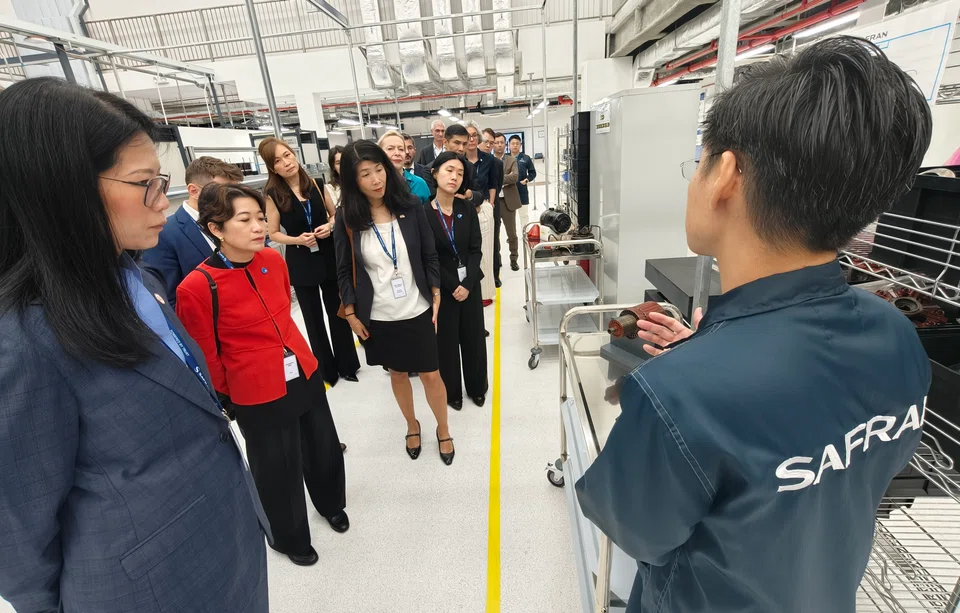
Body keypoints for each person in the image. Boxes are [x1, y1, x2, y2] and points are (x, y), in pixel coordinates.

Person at [575, 37, 933, 613]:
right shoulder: (894, 333)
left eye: (699, 162)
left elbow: (634, 528)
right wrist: (712, 355)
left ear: (726, 176)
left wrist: (696, 377)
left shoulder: (676, 395)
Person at [0, 77, 268, 613]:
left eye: (161, 180)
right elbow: (18, 526)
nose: (162, 203)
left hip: (223, 541)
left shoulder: (135, 276)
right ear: (65, 188)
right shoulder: (25, 338)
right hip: (142, 586)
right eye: (144, 183)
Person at [177, 183, 348, 567]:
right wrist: (230, 393)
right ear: (216, 228)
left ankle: (332, 503)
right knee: (276, 466)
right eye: (245, 219)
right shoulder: (197, 287)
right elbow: (207, 354)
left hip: (301, 369)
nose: (258, 226)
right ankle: (289, 536)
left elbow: (285, 314)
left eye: (260, 217)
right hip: (254, 388)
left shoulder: (274, 260)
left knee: (321, 444)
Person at [334, 140, 456, 465]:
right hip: (379, 315)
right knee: (398, 374)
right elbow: (344, 270)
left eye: (378, 170)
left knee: (431, 373)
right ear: (352, 180)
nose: (376, 179)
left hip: (416, 308)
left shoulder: (412, 205)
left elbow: (429, 254)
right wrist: (350, 312)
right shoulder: (347, 217)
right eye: (365, 174)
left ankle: (443, 429)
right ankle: (412, 425)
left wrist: (436, 292)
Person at [259, 137, 360, 386]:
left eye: (288, 155)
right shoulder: (272, 194)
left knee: (337, 312)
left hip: (327, 254)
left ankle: (347, 365)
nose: (286, 163)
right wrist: (297, 240)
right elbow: (273, 233)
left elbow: (335, 214)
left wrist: (329, 225)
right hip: (301, 259)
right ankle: (326, 370)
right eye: (278, 161)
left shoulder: (315, 183)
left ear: (295, 155)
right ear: (273, 168)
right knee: (313, 318)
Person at [426, 151, 488, 410]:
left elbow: (476, 249)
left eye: (460, 173)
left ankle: (477, 387)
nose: (454, 177)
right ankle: (452, 392)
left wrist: (468, 283)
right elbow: (429, 256)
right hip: (444, 288)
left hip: (470, 284)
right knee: (447, 342)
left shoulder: (466, 207)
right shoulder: (423, 214)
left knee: (474, 338)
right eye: (449, 170)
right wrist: (453, 285)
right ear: (435, 172)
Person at [143, 156, 243, 306]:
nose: (232, 199)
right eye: (224, 192)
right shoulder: (166, 234)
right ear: (194, 191)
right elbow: (169, 300)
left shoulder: (233, 221)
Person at [379, 130, 431, 204]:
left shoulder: (419, 184)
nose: (397, 153)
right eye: (390, 148)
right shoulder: (376, 185)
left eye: (401, 149)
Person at [494, 132, 521, 272]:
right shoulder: (489, 160)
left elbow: (515, 177)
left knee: (512, 233)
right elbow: (486, 179)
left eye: (501, 142)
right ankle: (497, 260)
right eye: (496, 142)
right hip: (493, 202)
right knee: (495, 233)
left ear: (505, 145)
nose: (499, 145)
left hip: (507, 201)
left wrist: (497, 179)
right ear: (493, 144)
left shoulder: (511, 160)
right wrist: (505, 178)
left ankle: (514, 259)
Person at [509, 134, 537, 232]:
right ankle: (512, 235)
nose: (515, 145)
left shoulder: (526, 158)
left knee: (524, 215)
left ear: (520, 145)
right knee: (510, 216)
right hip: (508, 191)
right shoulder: (505, 158)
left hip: (522, 190)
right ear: (509, 145)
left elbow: (533, 172)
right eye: (513, 143)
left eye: (517, 143)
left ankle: (525, 233)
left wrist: (527, 180)